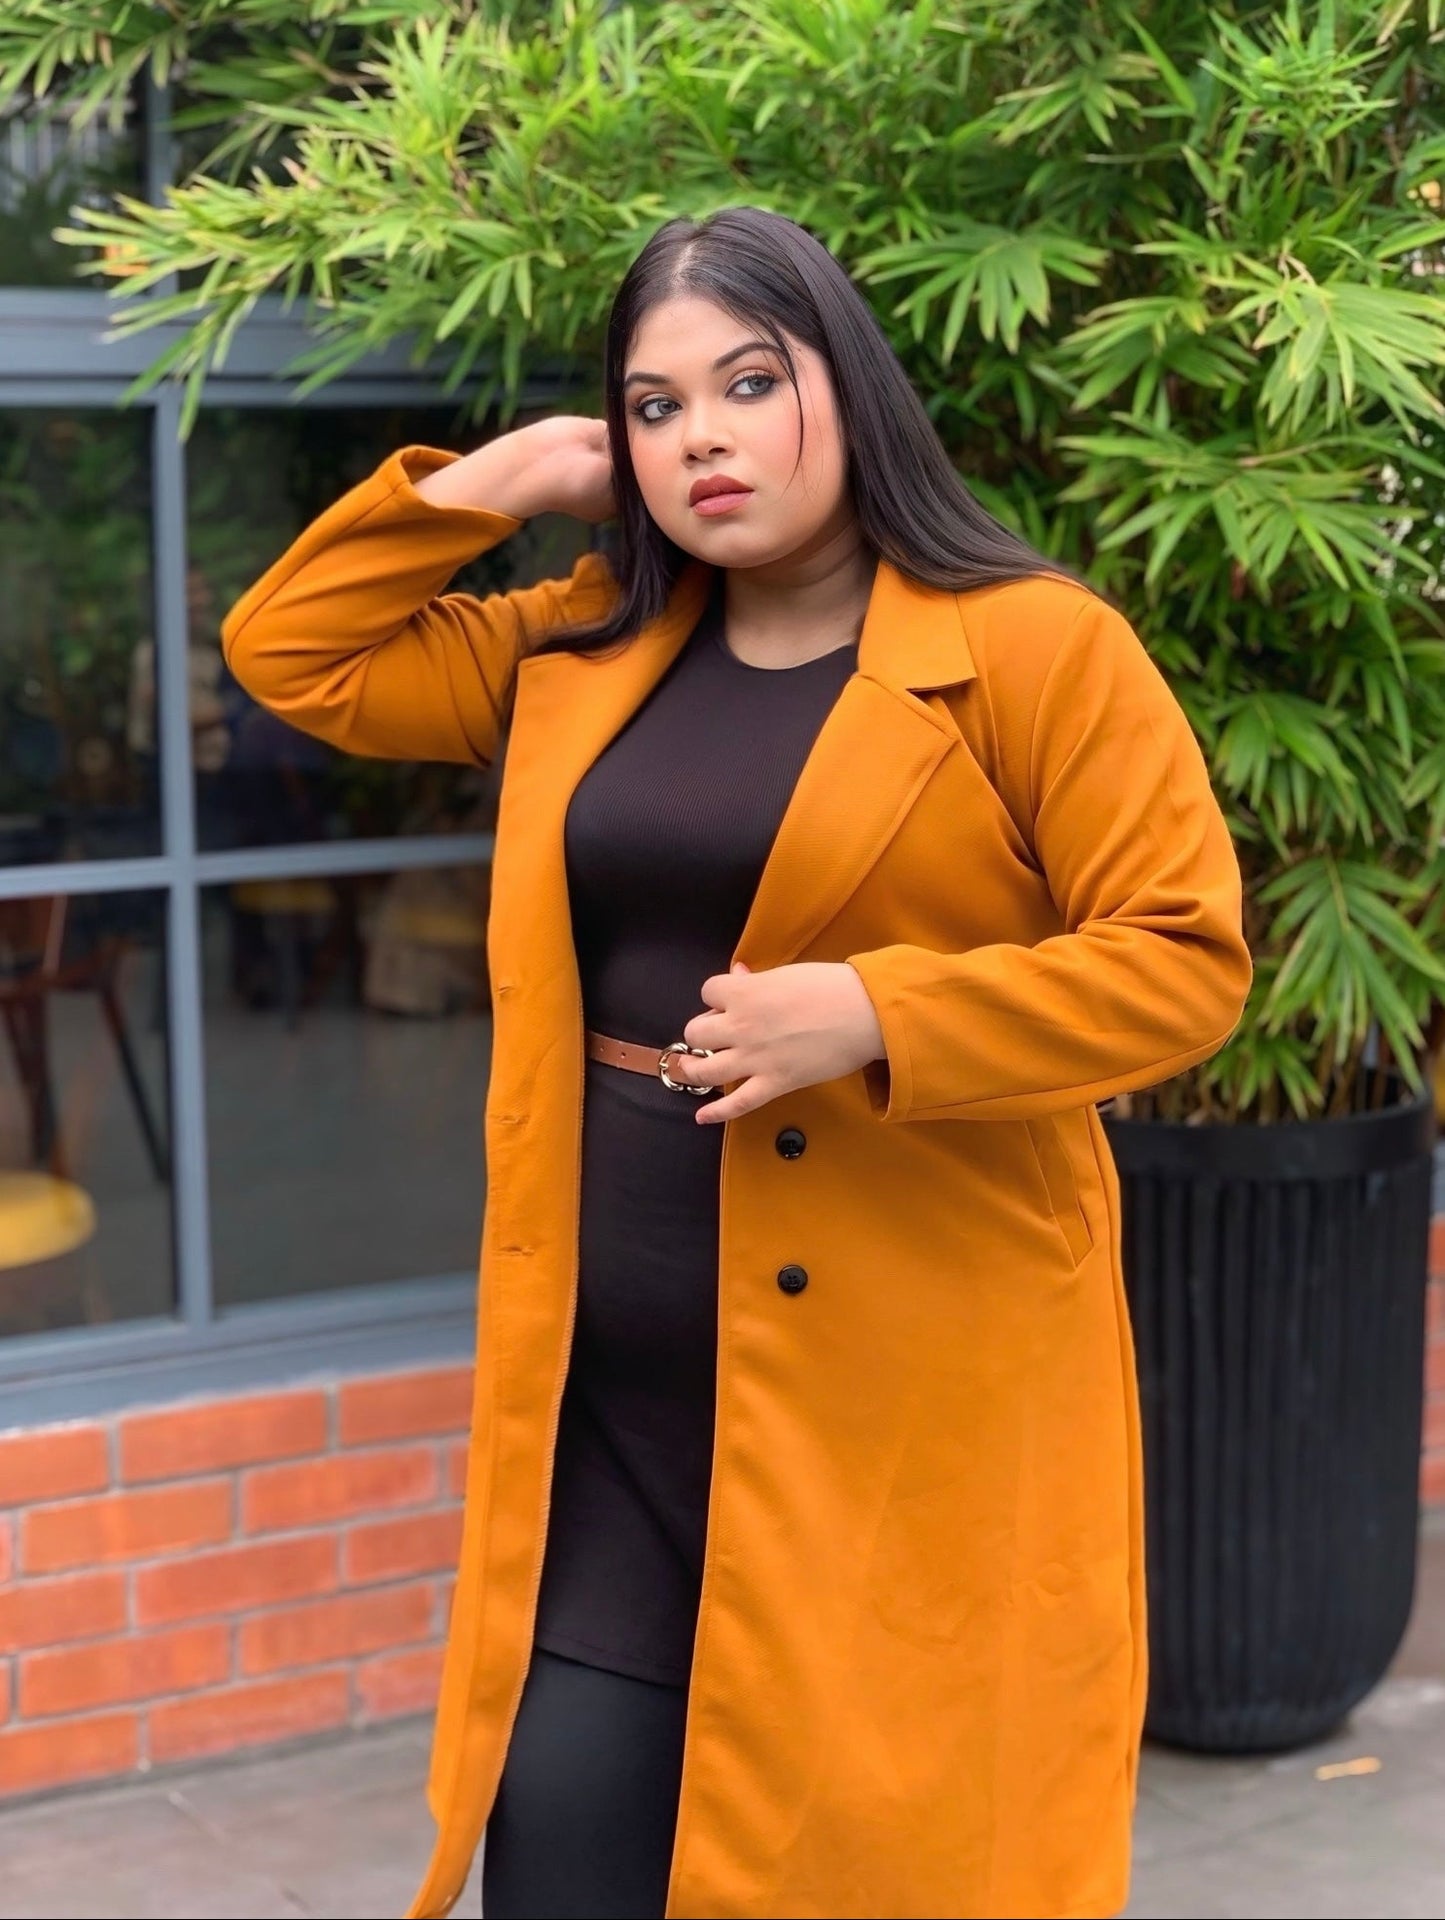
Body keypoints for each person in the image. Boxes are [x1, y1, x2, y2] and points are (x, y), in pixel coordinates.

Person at [219, 206, 1251, 1920]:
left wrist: (878, 1016)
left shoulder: (1031, 649)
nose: (699, 435)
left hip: (903, 1416)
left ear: (843, 386)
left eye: (747, 383)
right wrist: (513, 469)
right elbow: (294, 654)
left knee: (871, 1865)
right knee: (555, 1845)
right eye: (650, 405)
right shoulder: (583, 645)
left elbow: (1181, 965)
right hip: (613, 1412)